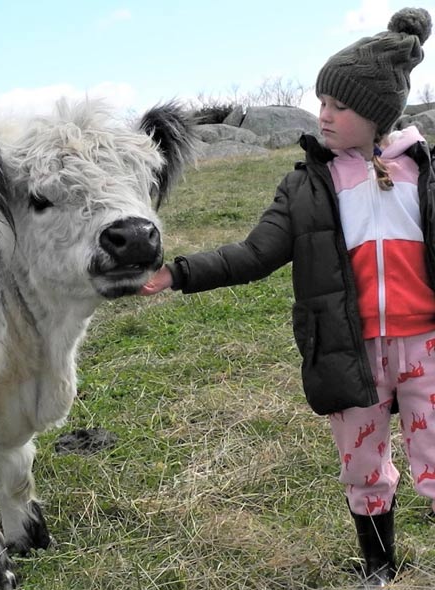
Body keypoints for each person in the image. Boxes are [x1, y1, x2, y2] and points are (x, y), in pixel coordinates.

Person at [140, 7, 433, 588]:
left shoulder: (424, 175)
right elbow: (254, 253)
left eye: (338, 106)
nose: (322, 114)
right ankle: (378, 568)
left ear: (375, 115)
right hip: (348, 352)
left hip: (428, 345)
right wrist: (178, 273)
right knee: (363, 465)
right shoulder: (304, 186)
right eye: (321, 100)